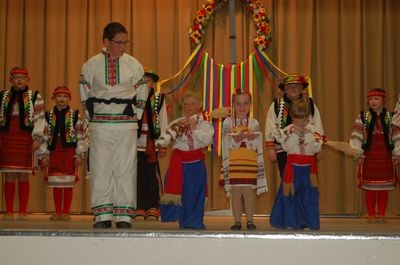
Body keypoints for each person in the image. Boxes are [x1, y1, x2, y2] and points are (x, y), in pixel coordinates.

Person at [79, 22, 148, 229]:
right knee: (101, 169)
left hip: (126, 125)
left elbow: (142, 91)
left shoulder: (133, 64)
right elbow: (84, 92)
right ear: (106, 42)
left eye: (125, 42)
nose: (122, 46)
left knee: (125, 169)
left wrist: (135, 115)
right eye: (118, 42)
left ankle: (125, 215)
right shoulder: (91, 65)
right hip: (100, 125)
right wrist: (91, 117)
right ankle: (103, 216)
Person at [156, 89, 214, 229]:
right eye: (186, 104)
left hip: (196, 164)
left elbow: (207, 140)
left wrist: (194, 129)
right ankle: (183, 220)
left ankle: (194, 222)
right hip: (179, 163)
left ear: (199, 105)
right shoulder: (178, 122)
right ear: (182, 106)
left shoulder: (204, 123)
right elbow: (167, 137)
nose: (189, 107)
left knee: (196, 194)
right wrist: (158, 143)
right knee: (182, 194)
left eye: (193, 104)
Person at [0, 67, 47, 221]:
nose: (19, 80)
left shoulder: (35, 96)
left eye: (22, 77)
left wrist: (37, 138)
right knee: (8, 174)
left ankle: (22, 211)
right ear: (10, 80)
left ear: (28, 80)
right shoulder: (2, 96)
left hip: (25, 137)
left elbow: (40, 118)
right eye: (16, 77)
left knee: (23, 175)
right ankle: (8, 211)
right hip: (7, 138)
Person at [269, 98, 324, 230]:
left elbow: (316, 148)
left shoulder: (313, 131)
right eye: (298, 120)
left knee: (309, 197)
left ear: (308, 118)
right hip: (292, 169)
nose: (301, 123)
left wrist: (307, 139)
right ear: (292, 117)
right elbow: (286, 147)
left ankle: (309, 222)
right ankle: (291, 222)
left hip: (309, 170)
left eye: (304, 120)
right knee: (290, 195)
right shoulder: (288, 131)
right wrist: (295, 136)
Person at [349, 88, 400, 223]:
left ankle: (382, 214)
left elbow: (397, 136)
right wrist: (357, 153)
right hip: (369, 157)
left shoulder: (391, 117)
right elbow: (356, 135)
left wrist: (397, 154)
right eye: (371, 99)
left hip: (386, 157)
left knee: (383, 188)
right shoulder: (363, 117)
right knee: (370, 188)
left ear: (383, 100)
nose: (373, 101)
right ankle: (371, 214)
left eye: (376, 98)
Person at [220, 90, 267, 230]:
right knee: (235, 191)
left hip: (248, 159)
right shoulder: (228, 122)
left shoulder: (254, 123)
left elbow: (257, 143)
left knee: (248, 192)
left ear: (250, 105)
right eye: (238, 103)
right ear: (233, 105)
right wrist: (236, 138)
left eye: (245, 103)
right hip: (234, 159)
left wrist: (252, 139)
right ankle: (237, 221)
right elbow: (225, 141)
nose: (242, 107)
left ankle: (250, 220)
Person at [41, 86, 89, 221]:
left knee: (67, 182)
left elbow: (80, 135)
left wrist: (79, 155)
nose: (62, 99)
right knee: (56, 182)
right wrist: (44, 155)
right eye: (58, 96)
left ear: (69, 99)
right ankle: (57, 212)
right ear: (54, 98)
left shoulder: (75, 116)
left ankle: (66, 212)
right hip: (54, 152)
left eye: (65, 96)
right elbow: (44, 136)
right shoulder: (48, 116)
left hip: (69, 152)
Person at [265, 74, 324, 178]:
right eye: (290, 86)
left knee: (308, 180)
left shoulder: (309, 104)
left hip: (307, 150)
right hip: (283, 150)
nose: (293, 88)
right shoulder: (277, 105)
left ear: (302, 89)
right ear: (284, 90)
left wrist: (319, 148)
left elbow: (317, 124)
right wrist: (270, 149)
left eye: (296, 86)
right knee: (287, 180)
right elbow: (270, 126)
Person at [134, 69, 168, 221]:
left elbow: (163, 120)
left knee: (151, 177)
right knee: (138, 176)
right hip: (136, 142)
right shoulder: (134, 98)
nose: (146, 84)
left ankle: (153, 206)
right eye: (144, 81)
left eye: (149, 81)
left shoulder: (159, 99)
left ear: (154, 83)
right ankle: (139, 206)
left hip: (151, 143)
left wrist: (162, 143)